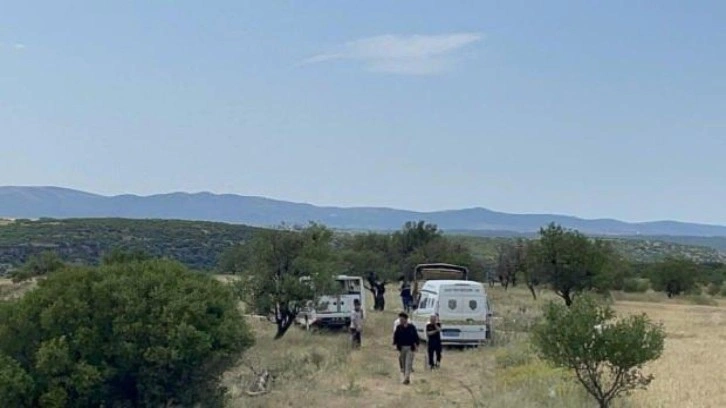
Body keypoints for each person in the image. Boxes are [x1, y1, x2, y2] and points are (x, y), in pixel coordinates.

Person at [392, 312, 419, 385]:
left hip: (410, 348)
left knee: (408, 363)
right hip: (402, 348)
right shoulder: (399, 328)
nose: (401, 321)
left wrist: (416, 345)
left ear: (406, 319)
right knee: (403, 363)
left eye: (402, 319)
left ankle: (407, 377)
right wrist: (394, 344)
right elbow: (396, 337)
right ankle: (406, 377)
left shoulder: (411, 327)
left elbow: (416, 337)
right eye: (400, 319)